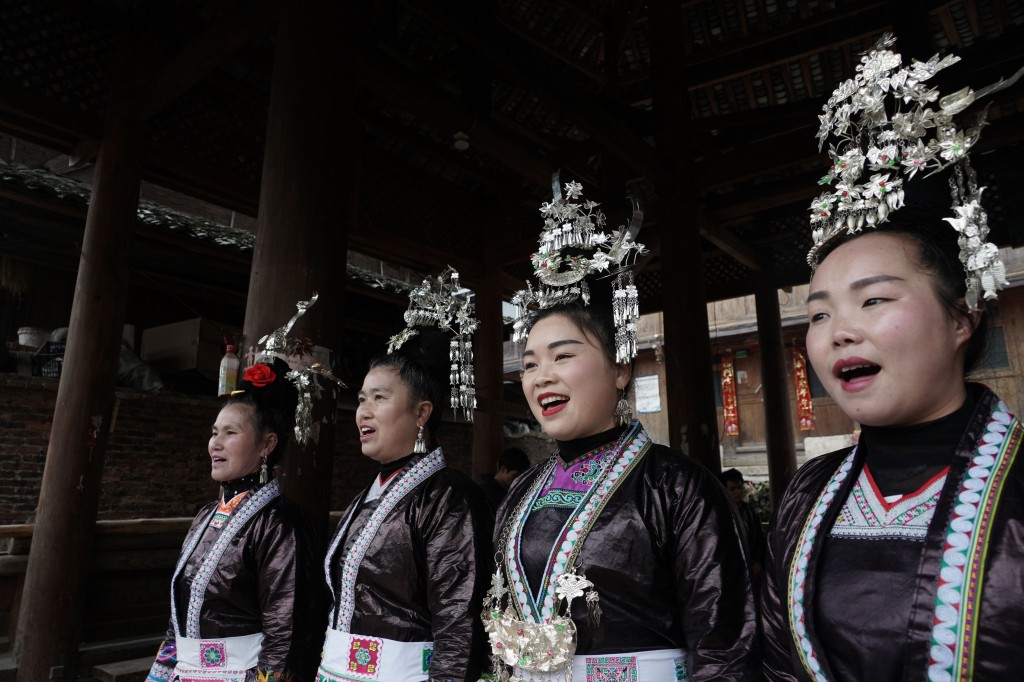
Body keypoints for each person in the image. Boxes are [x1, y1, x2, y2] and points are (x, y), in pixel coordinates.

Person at [761, 35, 1024, 681]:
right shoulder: (809, 491)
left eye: (874, 300)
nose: (839, 333)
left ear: (961, 316)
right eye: (819, 315)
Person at [485, 180, 758, 681]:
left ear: (620, 369)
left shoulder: (678, 487)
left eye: (563, 356)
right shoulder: (522, 489)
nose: (541, 376)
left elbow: (722, 645)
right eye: (530, 364)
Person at [317, 268, 492, 682]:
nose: (363, 412)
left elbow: (459, 620)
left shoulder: (449, 498)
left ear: (421, 413)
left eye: (379, 398)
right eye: (362, 399)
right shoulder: (373, 490)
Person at [147, 357, 318, 681]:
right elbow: (177, 621)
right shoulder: (205, 516)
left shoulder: (280, 524)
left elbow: (285, 632)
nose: (216, 443)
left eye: (230, 433)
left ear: (267, 444)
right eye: (214, 433)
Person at [718, 468, 765, 581]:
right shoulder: (719, 514)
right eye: (732, 489)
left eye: (739, 487)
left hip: (753, 568)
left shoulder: (750, 512)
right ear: (724, 490)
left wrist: (759, 562)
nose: (737, 492)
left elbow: (760, 539)